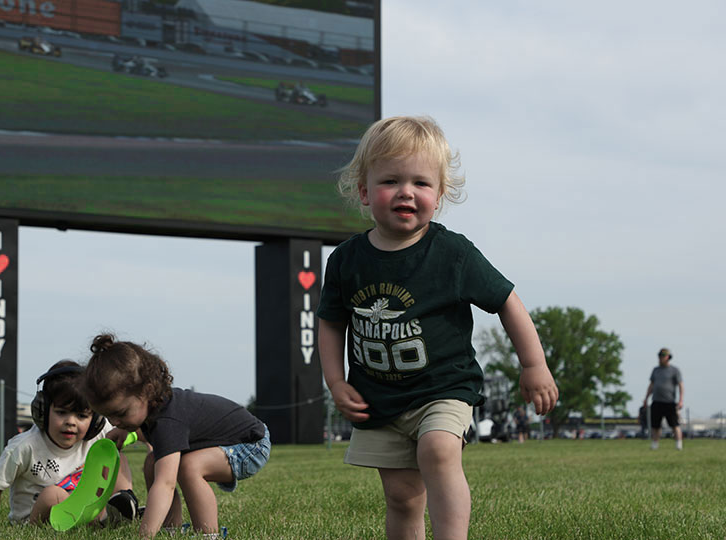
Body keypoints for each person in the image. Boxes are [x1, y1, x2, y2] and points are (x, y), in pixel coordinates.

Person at [317, 116, 559, 540]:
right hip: (379, 399)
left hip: (443, 388)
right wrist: (336, 383)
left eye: (422, 183)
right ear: (364, 191)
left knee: (439, 449)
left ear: (440, 194)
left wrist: (533, 364)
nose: (407, 191)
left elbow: (507, 302)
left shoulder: (452, 253)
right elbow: (332, 324)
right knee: (402, 497)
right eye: (391, 180)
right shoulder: (345, 260)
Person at [82, 334, 270, 539]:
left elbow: (165, 484)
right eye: (109, 416)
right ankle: (170, 528)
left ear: (148, 391)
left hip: (250, 445)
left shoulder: (168, 420)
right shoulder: (154, 407)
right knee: (153, 462)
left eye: (120, 414)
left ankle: (207, 535)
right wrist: (128, 430)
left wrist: (144, 535)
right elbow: (148, 431)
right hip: (228, 443)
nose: (115, 421)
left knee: (189, 467)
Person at [0, 360, 138, 525]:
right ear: (42, 410)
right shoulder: (25, 446)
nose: (71, 422)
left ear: (95, 419)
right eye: (61, 412)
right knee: (53, 494)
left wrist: (129, 433)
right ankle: (102, 518)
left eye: (81, 416)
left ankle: (120, 506)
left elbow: (133, 428)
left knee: (116, 454)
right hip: (37, 520)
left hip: (84, 512)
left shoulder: (98, 434)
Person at [643, 347, 684, 450]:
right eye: (659, 356)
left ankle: (678, 444)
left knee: (674, 424)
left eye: (663, 356)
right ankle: (654, 445)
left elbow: (681, 385)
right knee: (655, 425)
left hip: (669, 402)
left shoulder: (675, 370)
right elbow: (651, 384)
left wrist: (681, 400)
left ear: (668, 357)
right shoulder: (655, 370)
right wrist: (646, 398)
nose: (660, 358)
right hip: (656, 401)